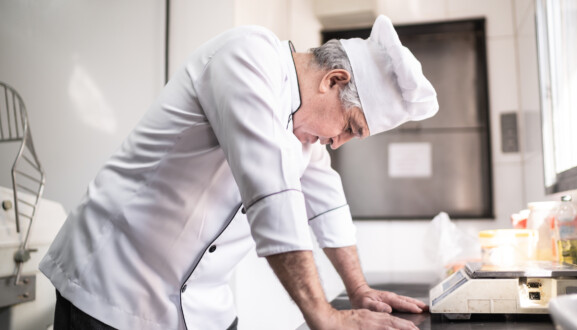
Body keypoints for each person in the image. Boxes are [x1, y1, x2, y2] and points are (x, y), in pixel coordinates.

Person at [40, 14, 438, 330]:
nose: (337, 142)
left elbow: (326, 200)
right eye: (350, 127)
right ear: (334, 81)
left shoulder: (302, 127)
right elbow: (271, 190)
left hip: (201, 307)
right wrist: (323, 315)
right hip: (112, 287)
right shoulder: (248, 56)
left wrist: (359, 288)